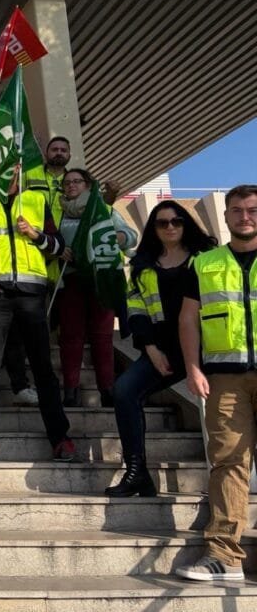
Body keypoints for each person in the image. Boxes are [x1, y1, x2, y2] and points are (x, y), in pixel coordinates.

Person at [0, 167, 76, 464]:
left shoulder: (36, 200)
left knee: (43, 369)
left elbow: (60, 247)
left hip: (32, 294)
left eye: (14, 170)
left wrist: (35, 234)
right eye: (2, 170)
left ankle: (60, 438)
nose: (9, 175)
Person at [175, 184, 257, 582]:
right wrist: (193, 368)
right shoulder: (203, 263)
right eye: (238, 210)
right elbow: (188, 319)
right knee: (228, 463)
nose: (246, 216)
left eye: (253, 209)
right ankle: (225, 558)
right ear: (225, 217)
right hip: (224, 378)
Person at [105, 201, 215, 497]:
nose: (170, 227)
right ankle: (137, 472)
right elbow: (136, 310)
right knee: (125, 390)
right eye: (162, 223)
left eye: (176, 221)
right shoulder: (143, 265)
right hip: (163, 346)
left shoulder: (206, 258)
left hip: (210, 344)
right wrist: (150, 348)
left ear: (186, 224)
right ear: (153, 228)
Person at [56, 169, 137, 407]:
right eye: (67, 182)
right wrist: (60, 250)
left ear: (88, 186)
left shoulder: (104, 210)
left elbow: (130, 236)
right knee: (71, 337)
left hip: (101, 279)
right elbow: (50, 240)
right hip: (71, 279)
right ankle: (70, 390)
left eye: (77, 182)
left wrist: (116, 237)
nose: (71, 186)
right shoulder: (57, 212)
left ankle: (108, 389)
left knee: (102, 337)